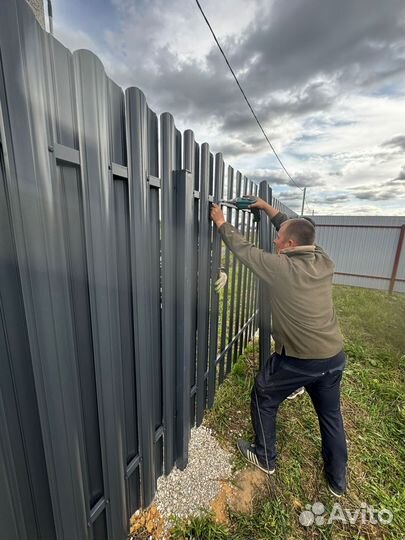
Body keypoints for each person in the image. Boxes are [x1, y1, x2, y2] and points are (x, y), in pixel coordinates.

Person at [210, 197, 347, 497]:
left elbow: (245, 252)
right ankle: (338, 481)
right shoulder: (324, 260)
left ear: (289, 245)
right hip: (334, 357)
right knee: (331, 416)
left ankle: (264, 457)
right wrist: (267, 208)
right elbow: (297, 229)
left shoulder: (280, 268)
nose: (275, 238)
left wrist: (221, 223)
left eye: (279, 237)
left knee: (263, 394)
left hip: (300, 359)